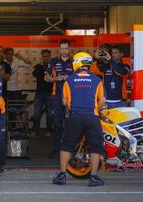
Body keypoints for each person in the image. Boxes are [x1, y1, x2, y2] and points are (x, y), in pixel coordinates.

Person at [52, 51, 106, 187]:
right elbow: (102, 101)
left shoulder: (69, 80)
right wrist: (95, 110)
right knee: (95, 147)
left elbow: (64, 101)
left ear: (77, 63)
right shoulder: (97, 80)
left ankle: (62, 176)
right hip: (92, 117)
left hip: (75, 116)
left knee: (67, 145)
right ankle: (93, 177)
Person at [44, 39, 74, 158]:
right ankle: (56, 150)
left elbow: (80, 76)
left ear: (69, 48)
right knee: (56, 124)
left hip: (71, 98)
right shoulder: (53, 61)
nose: (64, 51)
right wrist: (59, 78)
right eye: (62, 48)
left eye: (66, 48)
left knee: (70, 125)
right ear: (59, 49)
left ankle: (69, 150)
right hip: (57, 97)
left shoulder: (74, 62)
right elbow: (46, 78)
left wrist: (68, 77)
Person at [31, 49, 53, 138]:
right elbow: (35, 74)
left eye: (47, 56)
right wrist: (41, 68)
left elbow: (53, 76)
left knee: (49, 114)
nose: (46, 58)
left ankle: (49, 131)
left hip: (50, 93)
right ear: (42, 57)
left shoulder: (52, 66)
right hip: (39, 93)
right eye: (44, 56)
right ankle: (35, 131)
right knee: (36, 113)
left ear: (49, 57)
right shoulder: (38, 66)